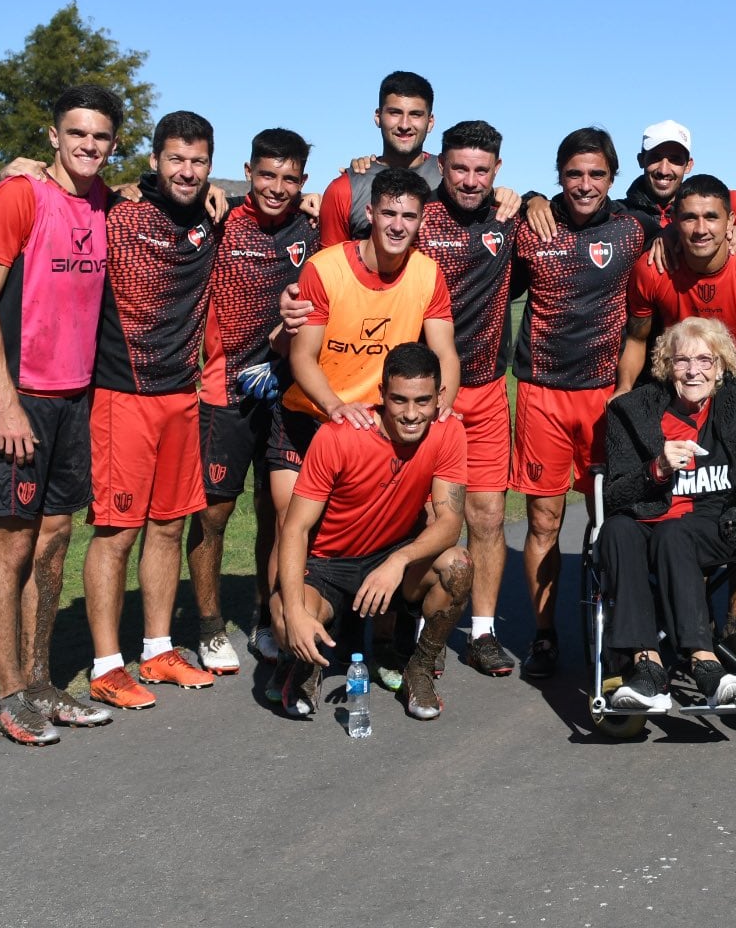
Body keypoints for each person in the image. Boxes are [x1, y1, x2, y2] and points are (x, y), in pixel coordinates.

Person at [0, 85, 123, 744]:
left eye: (101, 137)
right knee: (11, 545)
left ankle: (40, 682)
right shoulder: (20, 196)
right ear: (54, 135)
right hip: (17, 398)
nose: (88, 145)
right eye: (77, 133)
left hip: (73, 398)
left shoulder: (104, 201)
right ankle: (10, 696)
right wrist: (5, 401)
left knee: (54, 541)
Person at [269, 165, 458, 680]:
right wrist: (335, 407)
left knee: (385, 528)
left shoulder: (427, 273)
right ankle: (289, 637)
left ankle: (384, 642)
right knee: (295, 525)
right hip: (313, 415)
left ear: (423, 220)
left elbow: (444, 350)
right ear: (369, 213)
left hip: (380, 421)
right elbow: (302, 357)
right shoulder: (325, 268)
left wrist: (444, 404)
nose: (398, 224)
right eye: (389, 212)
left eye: (409, 216)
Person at [83, 111, 221, 710]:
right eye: (175, 160)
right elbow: (58, 184)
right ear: (155, 160)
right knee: (116, 533)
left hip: (180, 398)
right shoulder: (120, 209)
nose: (186, 172)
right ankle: (106, 664)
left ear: (210, 165)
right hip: (123, 396)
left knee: (167, 526)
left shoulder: (215, 218)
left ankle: (158, 649)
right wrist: (22, 167)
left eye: (197, 161)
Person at [509, 128, 648, 678]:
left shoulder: (635, 228)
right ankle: (545, 635)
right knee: (544, 522)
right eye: (573, 174)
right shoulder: (532, 227)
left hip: (606, 396)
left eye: (596, 174)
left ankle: (616, 627)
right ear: (558, 175)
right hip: (542, 391)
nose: (585, 185)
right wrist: (528, 200)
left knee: (608, 520)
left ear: (613, 178)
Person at [598, 318, 736, 710]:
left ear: (720, 367)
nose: (693, 370)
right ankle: (647, 668)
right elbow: (613, 495)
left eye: (705, 359)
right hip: (644, 518)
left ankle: (704, 663)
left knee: (674, 535)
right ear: (667, 365)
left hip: (713, 522)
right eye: (682, 360)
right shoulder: (632, 410)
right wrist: (657, 469)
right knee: (616, 531)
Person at [185, 129, 320, 675]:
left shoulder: (311, 228)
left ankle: (267, 617)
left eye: (290, 178)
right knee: (214, 514)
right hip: (225, 392)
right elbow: (152, 196)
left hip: (290, 392)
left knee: (278, 512)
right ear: (248, 171)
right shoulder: (221, 221)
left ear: (303, 181)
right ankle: (211, 626)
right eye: (267, 175)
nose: (277, 187)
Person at [277, 343, 471, 721]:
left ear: (440, 397)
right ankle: (302, 665)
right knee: (288, 619)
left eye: (422, 401)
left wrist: (399, 560)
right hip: (327, 564)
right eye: (399, 400)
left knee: (459, 566)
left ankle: (419, 668)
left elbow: (450, 523)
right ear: (381, 395)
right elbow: (295, 528)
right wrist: (295, 611)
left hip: (389, 557)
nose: (411, 414)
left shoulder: (449, 432)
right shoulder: (339, 436)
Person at [417, 121, 523, 676]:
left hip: (485, 392)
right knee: (427, 516)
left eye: (482, 170)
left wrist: (528, 199)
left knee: (486, 516)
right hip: (423, 398)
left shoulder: (511, 219)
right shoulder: (418, 215)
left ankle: (481, 632)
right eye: (459, 167)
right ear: (441, 165)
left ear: (497, 171)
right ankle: (418, 628)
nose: (470, 179)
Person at [617, 174, 736, 396]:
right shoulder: (652, 270)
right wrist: (624, 387)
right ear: (673, 219)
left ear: (730, 220)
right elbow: (637, 338)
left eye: (711, 217)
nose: (701, 229)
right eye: (690, 218)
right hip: (678, 385)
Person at [317, 71, 441, 248]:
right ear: (378, 117)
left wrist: (495, 195)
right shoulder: (344, 189)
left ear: (430, 122)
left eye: (415, 114)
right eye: (395, 112)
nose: (404, 125)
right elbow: (330, 268)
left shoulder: (453, 179)